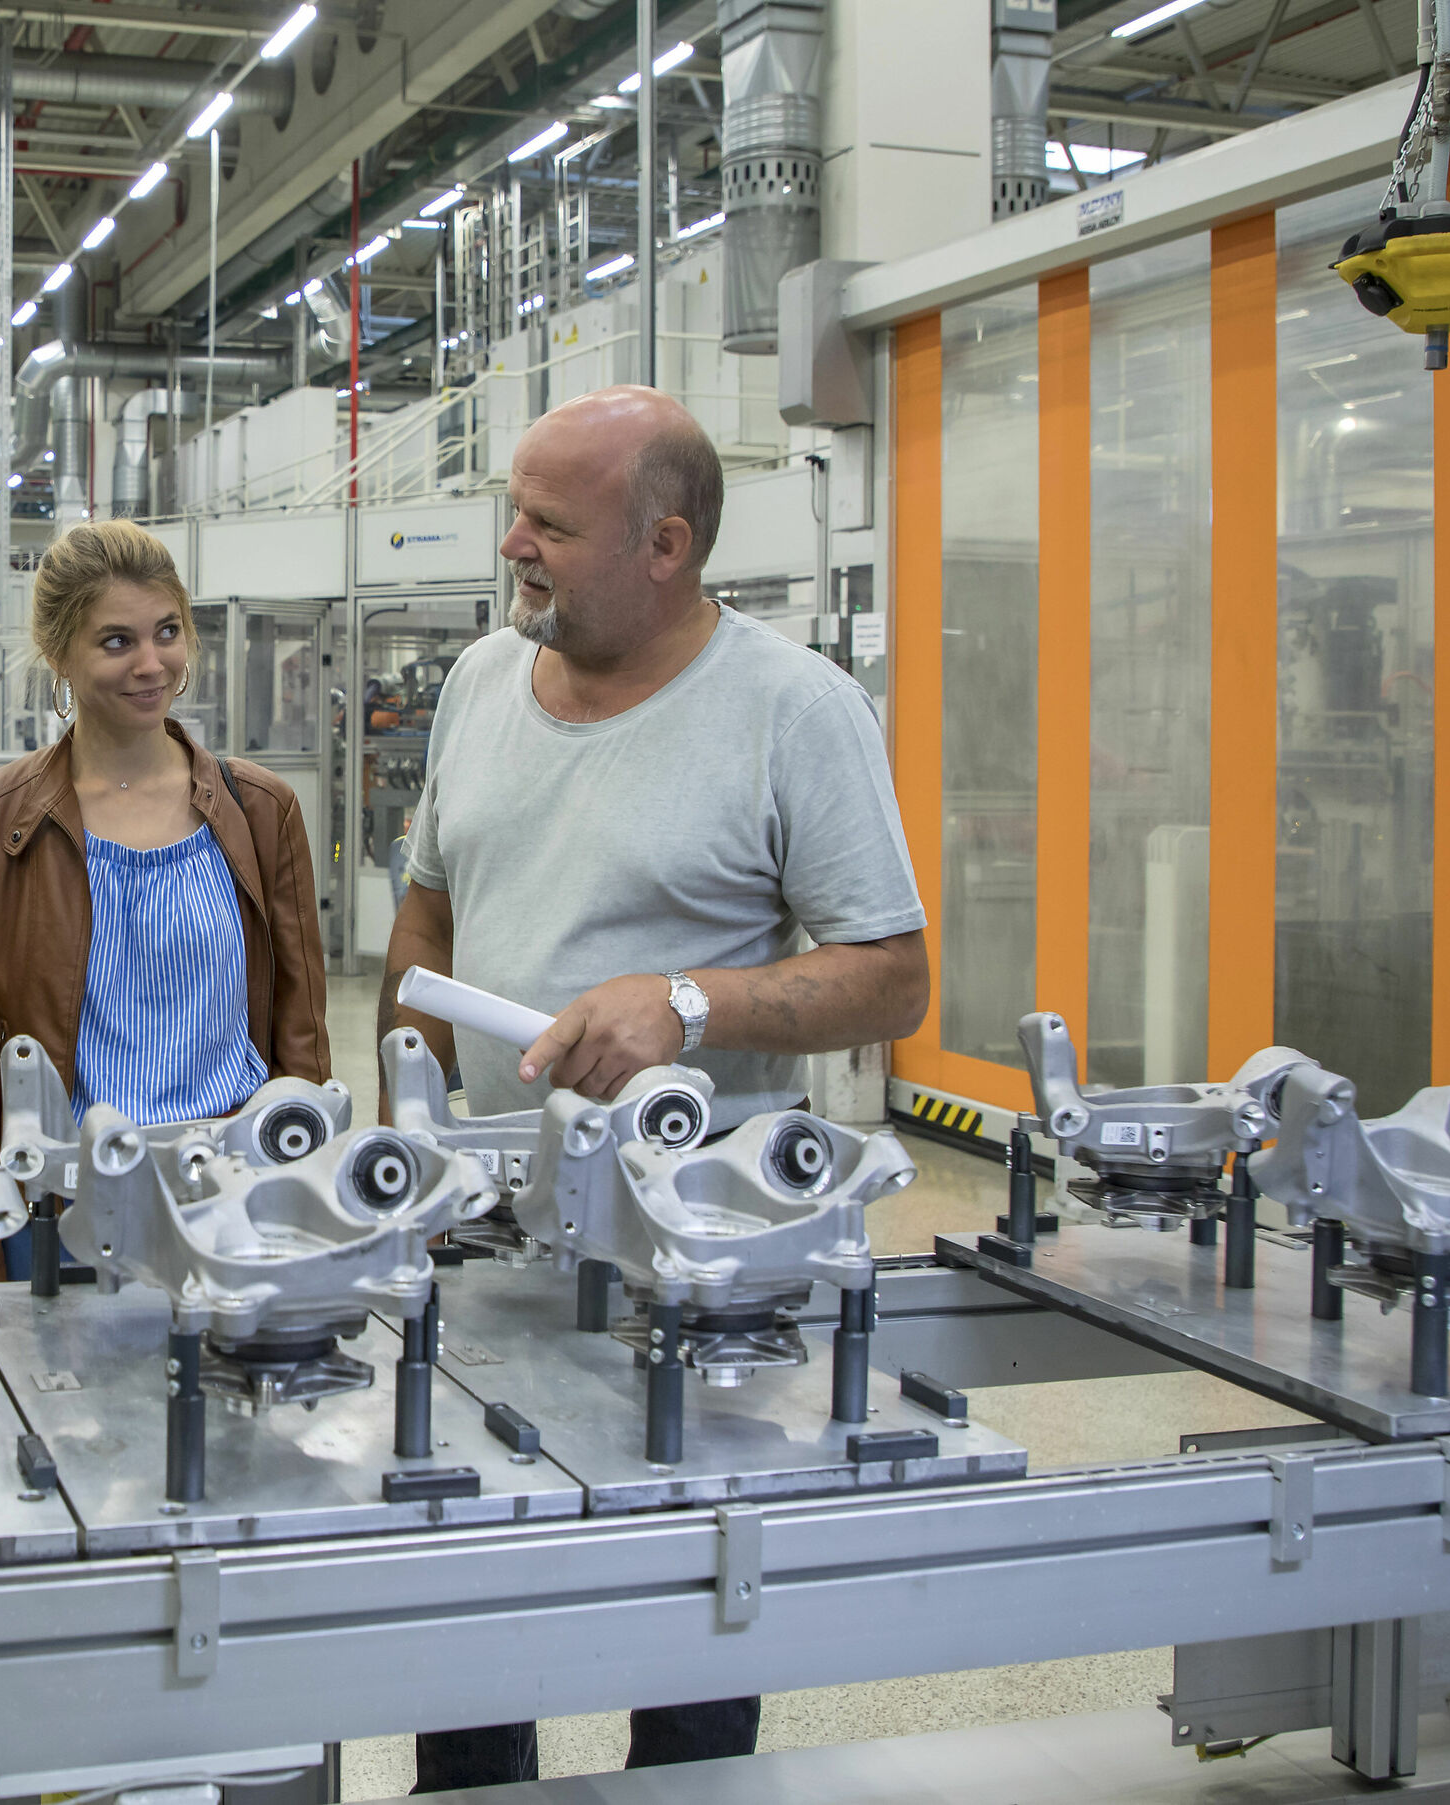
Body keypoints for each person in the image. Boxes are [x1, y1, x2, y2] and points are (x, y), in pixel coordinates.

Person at [384, 386, 930, 1788]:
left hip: (697, 1255)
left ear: (667, 543)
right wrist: (408, 1124)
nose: (513, 543)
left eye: (551, 525)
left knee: (691, 1609)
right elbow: (431, 919)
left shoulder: (792, 709)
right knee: (475, 1585)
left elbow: (892, 975)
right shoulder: (477, 684)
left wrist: (691, 1005)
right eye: (516, 510)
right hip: (491, 1226)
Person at [0, 521, 331, 1281]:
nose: (152, 665)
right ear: (61, 654)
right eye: (116, 641)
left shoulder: (260, 810)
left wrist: (301, 1192)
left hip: (232, 1196)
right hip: (65, 1206)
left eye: (168, 632)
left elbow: (301, 1036)